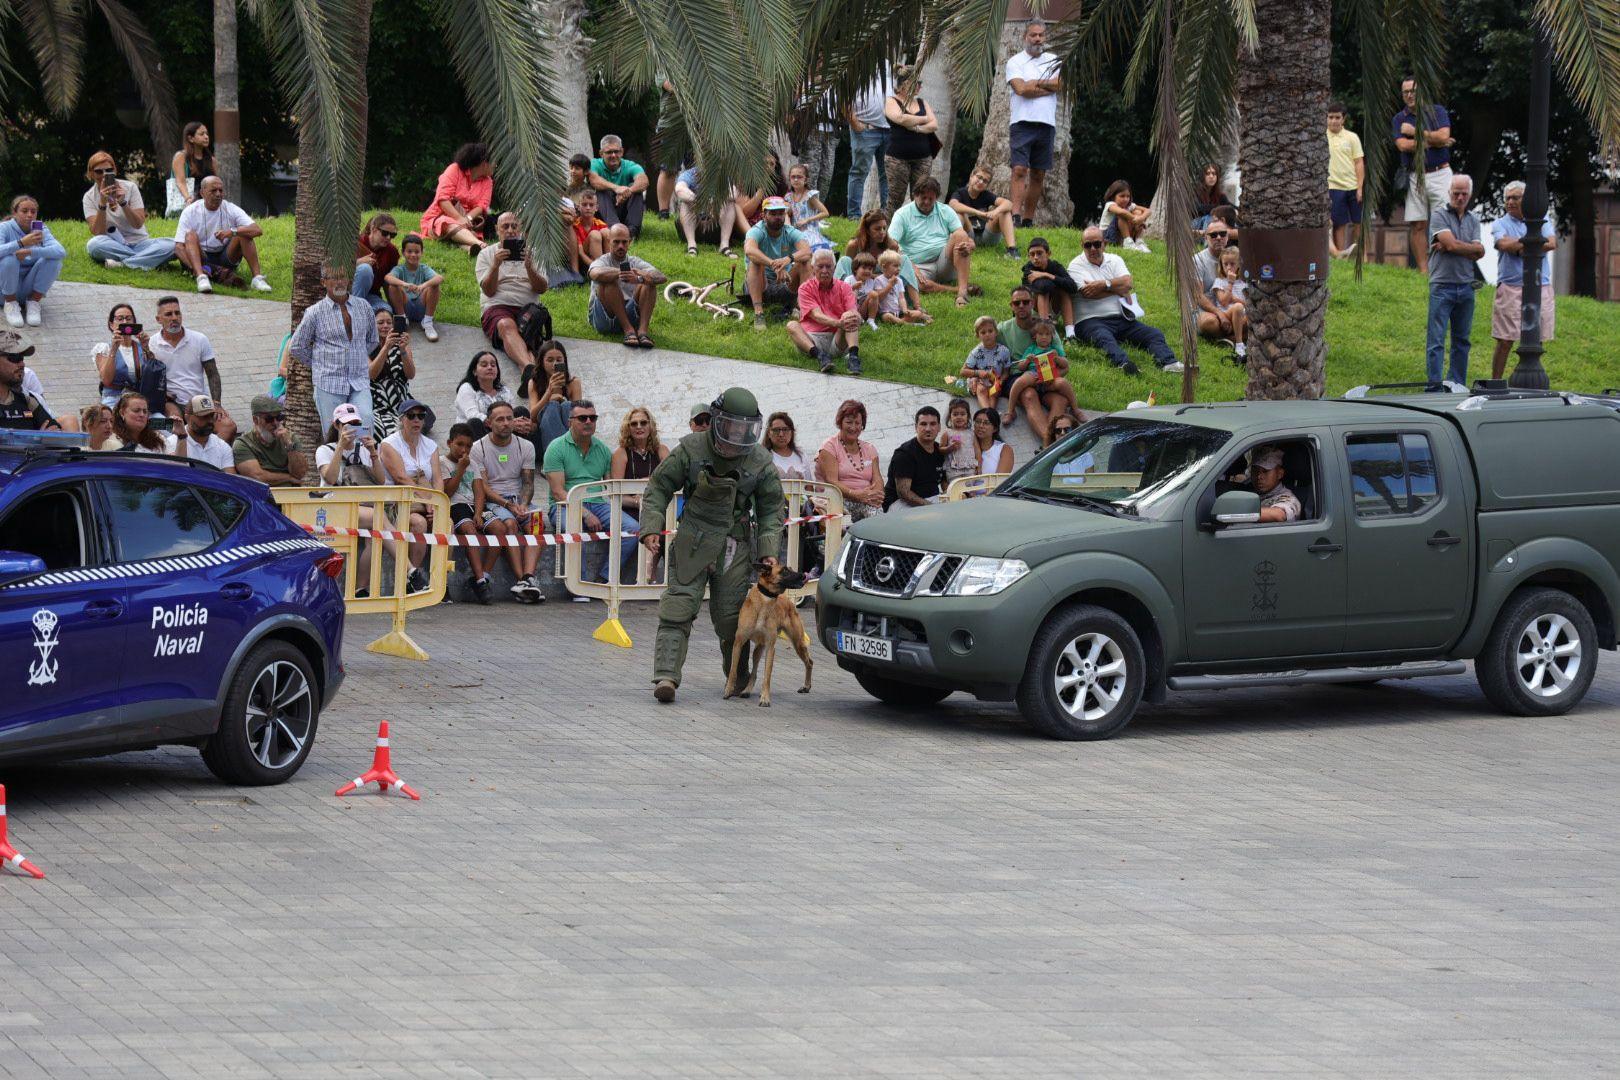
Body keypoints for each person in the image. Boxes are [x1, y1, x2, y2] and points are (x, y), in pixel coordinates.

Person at [637, 387, 785, 703]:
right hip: (693, 538)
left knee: (732, 618)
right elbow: (659, 487)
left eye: (745, 427)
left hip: (734, 545)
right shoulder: (691, 449)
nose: (738, 434)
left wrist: (769, 550)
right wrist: (651, 528)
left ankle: (738, 677)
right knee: (678, 607)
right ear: (718, 420)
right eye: (732, 425)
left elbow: (772, 508)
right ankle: (666, 677)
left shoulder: (759, 461)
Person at [544, 399, 637, 593]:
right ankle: (580, 586)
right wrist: (585, 514)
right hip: (565, 505)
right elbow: (558, 492)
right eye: (582, 418)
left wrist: (636, 501)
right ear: (570, 421)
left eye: (592, 418)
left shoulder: (602, 449)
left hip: (599, 504)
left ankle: (605, 579)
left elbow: (611, 487)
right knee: (574, 528)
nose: (588, 422)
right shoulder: (556, 447)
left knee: (632, 529)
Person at [1067, 226, 1181, 376]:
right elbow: (1089, 293)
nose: (1093, 248)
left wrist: (1104, 284)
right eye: (1088, 245)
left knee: (1154, 334)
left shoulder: (1115, 260)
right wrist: (1117, 288)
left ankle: (1169, 363)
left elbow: (1127, 283)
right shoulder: (1075, 265)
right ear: (1082, 245)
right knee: (1104, 339)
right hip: (1090, 320)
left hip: (1121, 318)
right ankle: (1124, 364)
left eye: (1097, 244)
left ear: (1104, 243)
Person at [289, 261, 379, 431]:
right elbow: (297, 346)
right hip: (329, 383)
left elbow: (373, 339)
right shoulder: (315, 312)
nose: (340, 282)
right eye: (334, 278)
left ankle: (364, 450)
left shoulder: (364, 307)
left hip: (359, 381)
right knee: (334, 433)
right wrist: (319, 364)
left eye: (343, 277)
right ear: (323, 282)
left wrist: (357, 357)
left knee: (365, 424)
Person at [471, 401, 543, 604]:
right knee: (510, 524)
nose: (505, 423)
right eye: (500, 419)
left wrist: (524, 504)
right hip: (494, 501)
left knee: (537, 522)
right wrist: (508, 505)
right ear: (488, 423)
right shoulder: (478, 448)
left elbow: (528, 483)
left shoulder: (526, 446)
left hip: (518, 500)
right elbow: (484, 487)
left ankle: (528, 577)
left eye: (509, 418)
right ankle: (522, 580)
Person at [1490, 181, 1558, 380]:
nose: (1510, 202)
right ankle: (1496, 382)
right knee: (1504, 340)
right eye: (1507, 198)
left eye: (1515, 198)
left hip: (1540, 285)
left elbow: (1551, 243)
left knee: (1537, 339)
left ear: (1526, 200)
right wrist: (1534, 243)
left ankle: (1531, 378)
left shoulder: (1542, 219)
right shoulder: (1500, 223)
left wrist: (1519, 248)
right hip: (1510, 287)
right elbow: (1503, 244)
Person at [1426, 173, 1484, 387]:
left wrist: (1452, 245)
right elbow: (1460, 247)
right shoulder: (1439, 215)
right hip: (1442, 284)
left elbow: (1479, 252)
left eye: (1464, 194)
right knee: (1436, 340)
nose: (1460, 197)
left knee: (1462, 341)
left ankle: (1456, 384)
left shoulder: (1473, 219)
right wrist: (1464, 247)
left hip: (1466, 286)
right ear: (1449, 192)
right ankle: (1434, 386)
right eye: (1456, 193)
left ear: (1470, 195)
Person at [378, 399, 442, 594]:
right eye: (411, 416)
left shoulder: (431, 445)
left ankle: (441, 581)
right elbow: (400, 477)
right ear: (401, 419)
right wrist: (427, 501)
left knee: (446, 523)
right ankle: (411, 578)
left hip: (426, 499)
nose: (416, 420)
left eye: (421, 416)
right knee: (419, 524)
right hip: (399, 500)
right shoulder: (389, 444)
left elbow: (438, 479)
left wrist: (436, 504)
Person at [149, 295, 233, 441]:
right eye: (168, 314)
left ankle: (208, 453)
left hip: (199, 401)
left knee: (229, 427)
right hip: (171, 402)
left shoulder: (199, 339)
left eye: (177, 313)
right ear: (158, 319)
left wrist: (217, 403)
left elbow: (212, 374)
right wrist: (163, 393)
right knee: (169, 423)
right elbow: (148, 377)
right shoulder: (151, 343)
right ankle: (181, 448)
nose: (174, 318)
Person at [1393, 78, 1454, 274]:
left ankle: (1439, 269)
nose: (1409, 95)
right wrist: (1432, 141)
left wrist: (1415, 132)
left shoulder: (1438, 112)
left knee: (1442, 222)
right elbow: (1403, 146)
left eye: (1413, 91)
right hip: (1415, 176)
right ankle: (1423, 272)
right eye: (1406, 92)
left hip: (1440, 173)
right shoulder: (1399, 118)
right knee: (1417, 224)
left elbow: (1444, 136)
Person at [1006, 19, 1063, 228]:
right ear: (1025, 37)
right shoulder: (1015, 61)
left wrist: (1035, 83)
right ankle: (1015, 215)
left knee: (1038, 173)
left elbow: (1059, 84)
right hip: (1022, 123)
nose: (1037, 39)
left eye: (1041, 35)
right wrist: (1046, 86)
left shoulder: (1054, 60)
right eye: (1033, 35)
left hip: (1046, 124)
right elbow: (1021, 89)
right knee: (1019, 169)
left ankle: (1028, 219)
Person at [475, 212, 549, 373]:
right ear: (497, 230)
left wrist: (530, 268)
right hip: (497, 306)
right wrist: (495, 265)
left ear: (520, 229)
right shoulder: (486, 254)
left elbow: (542, 288)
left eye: (514, 226)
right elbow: (489, 291)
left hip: (528, 308)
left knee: (526, 335)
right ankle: (529, 366)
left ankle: (527, 371)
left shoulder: (533, 253)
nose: (510, 230)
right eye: (505, 226)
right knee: (506, 325)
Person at [174, 176, 270, 293]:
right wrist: (192, 267)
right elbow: (179, 247)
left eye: (221, 190)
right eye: (213, 190)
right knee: (190, 235)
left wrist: (232, 232)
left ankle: (257, 279)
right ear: (202, 193)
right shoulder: (190, 211)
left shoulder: (230, 208)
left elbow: (257, 230)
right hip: (201, 257)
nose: (218, 194)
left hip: (225, 256)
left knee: (244, 233)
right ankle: (201, 277)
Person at [82, 152, 176, 271]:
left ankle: (124, 263)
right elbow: (98, 232)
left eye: (109, 170)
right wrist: (102, 203)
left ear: (115, 170)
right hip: (113, 245)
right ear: (91, 173)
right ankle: (149, 260)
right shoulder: (89, 197)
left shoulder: (130, 187)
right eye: (99, 171)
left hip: (140, 243)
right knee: (94, 245)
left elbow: (138, 224)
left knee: (174, 245)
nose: (104, 175)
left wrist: (123, 202)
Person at [890, 177, 975, 307]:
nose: (927, 202)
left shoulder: (945, 210)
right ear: (915, 195)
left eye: (931, 199)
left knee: (961, 235)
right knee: (918, 285)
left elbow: (964, 237)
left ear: (936, 197)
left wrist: (968, 245)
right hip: (918, 265)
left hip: (944, 261)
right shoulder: (901, 214)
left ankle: (962, 293)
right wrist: (911, 267)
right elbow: (891, 246)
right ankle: (956, 289)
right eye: (923, 198)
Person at [589, 223, 667, 349]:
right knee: (608, 282)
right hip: (604, 319)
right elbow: (595, 274)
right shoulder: (602, 261)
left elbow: (662, 277)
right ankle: (629, 331)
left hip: (629, 313)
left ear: (630, 242)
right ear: (609, 242)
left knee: (649, 283)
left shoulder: (635, 261)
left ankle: (642, 333)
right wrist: (621, 273)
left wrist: (640, 277)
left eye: (624, 242)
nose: (621, 246)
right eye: (616, 242)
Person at [1003, 318, 1079, 439]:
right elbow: (1020, 367)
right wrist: (1027, 360)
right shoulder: (1031, 349)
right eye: (1041, 334)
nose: (1044, 337)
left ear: (1052, 337)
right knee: (1020, 381)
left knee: (1063, 383)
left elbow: (1065, 365)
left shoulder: (1054, 350)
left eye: (1047, 334)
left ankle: (1075, 409)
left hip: (1050, 375)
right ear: (1034, 336)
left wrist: (1057, 358)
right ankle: (1010, 411)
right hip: (1034, 373)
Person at [789, 249, 863, 375]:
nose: (824, 271)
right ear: (813, 268)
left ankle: (853, 357)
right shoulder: (805, 289)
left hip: (837, 338)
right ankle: (820, 356)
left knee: (850, 316)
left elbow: (853, 310)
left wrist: (856, 318)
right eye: (820, 266)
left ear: (834, 268)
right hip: (813, 339)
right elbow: (816, 315)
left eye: (828, 266)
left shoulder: (844, 287)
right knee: (792, 325)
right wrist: (838, 323)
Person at [92, 301, 171, 418]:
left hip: (141, 401)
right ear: (111, 325)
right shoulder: (104, 348)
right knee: (119, 421)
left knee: (164, 423)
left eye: (129, 318)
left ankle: (180, 430)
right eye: (120, 319)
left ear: (134, 322)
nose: (125, 322)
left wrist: (146, 348)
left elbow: (154, 375)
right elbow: (106, 380)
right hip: (114, 400)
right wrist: (114, 349)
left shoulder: (141, 347)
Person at [743, 196, 811, 329]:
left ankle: (801, 310)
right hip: (759, 285)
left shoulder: (790, 232)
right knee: (755, 262)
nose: (778, 217)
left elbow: (807, 252)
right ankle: (759, 313)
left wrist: (788, 259)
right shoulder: (756, 231)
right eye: (773, 213)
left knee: (805, 262)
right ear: (764, 215)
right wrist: (773, 264)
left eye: (781, 213)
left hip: (784, 281)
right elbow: (749, 250)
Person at [1, 195, 66, 328]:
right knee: (9, 259)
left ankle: (33, 302)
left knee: (54, 260)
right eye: (24, 211)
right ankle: (11, 304)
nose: (29, 215)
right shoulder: (4, 227)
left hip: (28, 288)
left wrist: (31, 251)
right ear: (15, 213)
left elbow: (60, 251)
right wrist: (20, 243)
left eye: (33, 211)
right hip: (4, 291)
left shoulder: (40, 229)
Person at [882, 65, 940, 214]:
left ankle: (918, 227)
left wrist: (916, 128)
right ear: (904, 84)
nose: (920, 86)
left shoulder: (921, 102)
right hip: (897, 159)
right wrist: (925, 119)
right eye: (917, 83)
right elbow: (900, 118)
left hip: (923, 158)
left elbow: (934, 125)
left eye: (920, 83)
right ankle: (889, 227)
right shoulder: (891, 101)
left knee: (922, 197)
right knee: (896, 198)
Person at [815, 399, 883, 522]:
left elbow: (877, 479)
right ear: (840, 423)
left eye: (857, 423)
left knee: (877, 516)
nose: (853, 427)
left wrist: (876, 495)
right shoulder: (829, 446)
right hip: (839, 499)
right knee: (843, 521)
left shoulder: (870, 448)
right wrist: (856, 494)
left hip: (866, 499)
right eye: (849, 422)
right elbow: (831, 481)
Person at [441, 422, 488, 601]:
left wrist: (478, 513)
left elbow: (479, 491)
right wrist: (460, 469)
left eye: (468, 446)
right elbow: (447, 492)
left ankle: (486, 574)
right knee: (470, 529)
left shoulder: (473, 464)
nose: (464, 450)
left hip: (472, 506)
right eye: (459, 444)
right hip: (455, 506)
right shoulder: (442, 462)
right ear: (449, 443)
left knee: (499, 528)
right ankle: (481, 580)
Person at [420, 142, 494, 255]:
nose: (496, 167)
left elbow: (482, 206)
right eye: (495, 164)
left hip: (467, 223)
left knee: (460, 230)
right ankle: (481, 245)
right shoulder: (454, 169)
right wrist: (459, 219)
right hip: (440, 216)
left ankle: (469, 247)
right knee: (447, 223)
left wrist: (467, 218)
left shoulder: (488, 182)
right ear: (484, 163)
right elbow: (443, 199)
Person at [836, 209, 920, 306]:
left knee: (904, 259)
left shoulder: (891, 245)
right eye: (877, 229)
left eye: (884, 228)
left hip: (884, 285)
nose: (882, 232)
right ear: (867, 230)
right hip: (859, 284)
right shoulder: (854, 245)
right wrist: (869, 275)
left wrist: (875, 277)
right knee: (844, 260)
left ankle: (917, 305)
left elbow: (893, 272)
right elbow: (851, 270)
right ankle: (837, 298)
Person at [610, 405, 670, 523]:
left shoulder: (662, 450)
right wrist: (638, 502)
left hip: (658, 507)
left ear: (650, 426)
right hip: (630, 510)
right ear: (628, 428)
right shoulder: (621, 453)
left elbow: (670, 479)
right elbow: (616, 494)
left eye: (643, 423)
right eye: (634, 424)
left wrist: (646, 480)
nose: (639, 427)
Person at [233, 394, 308, 486]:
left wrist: (289, 445)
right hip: (263, 493)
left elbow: (300, 474)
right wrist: (288, 478)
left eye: (279, 417)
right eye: (269, 419)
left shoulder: (290, 438)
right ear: (256, 420)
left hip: (292, 492)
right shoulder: (244, 444)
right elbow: (257, 477)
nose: (275, 423)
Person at [846, 68, 892, 218]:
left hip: (890, 129)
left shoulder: (891, 66)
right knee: (859, 172)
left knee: (888, 174)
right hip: (865, 129)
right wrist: (855, 124)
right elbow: (843, 98)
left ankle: (886, 215)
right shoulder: (858, 64)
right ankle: (854, 216)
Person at [523, 339, 582, 455]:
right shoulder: (534, 383)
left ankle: (564, 455)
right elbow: (533, 416)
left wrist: (562, 402)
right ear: (542, 362)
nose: (554, 364)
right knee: (552, 406)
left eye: (559, 360)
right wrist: (548, 393)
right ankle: (561, 456)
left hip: (569, 430)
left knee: (567, 405)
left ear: (564, 361)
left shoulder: (574, 383)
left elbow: (580, 416)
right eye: (550, 360)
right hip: (543, 435)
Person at [883, 405, 947, 510]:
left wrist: (949, 496)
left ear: (939, 427)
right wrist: (931, 507)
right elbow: (903, 493)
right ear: (916, 427)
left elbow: (944, 481)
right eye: (923, 424)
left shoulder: (940, 450)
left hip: (931, 499)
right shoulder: (904, 454)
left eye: (933, 424)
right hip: (900, 504)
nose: (928, 429)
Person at [949, 166, 1019, 258]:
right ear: (971, 176)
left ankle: (1012, 250)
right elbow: (952, 204)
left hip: (987, 236)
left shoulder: (986, 195)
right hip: (968, 235)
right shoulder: (960, 193)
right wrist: (977, 212)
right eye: (979, 177)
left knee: (1004, 211)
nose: (981, 182)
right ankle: (953, 246)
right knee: (959, 214)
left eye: (985, 181)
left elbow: (1009, 204)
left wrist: (995, 212)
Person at [588, 135, 649, 237]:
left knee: (636, 191)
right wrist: (616, 188)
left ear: (622, 152)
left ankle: (632, 232)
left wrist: (628, 191)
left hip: (623, 209)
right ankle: (614, 229)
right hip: (603, 213)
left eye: (616, 151)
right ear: (601, 153)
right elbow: (594, 180)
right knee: (600, 190)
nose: (613, 155)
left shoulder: (630, 165)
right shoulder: (594, 163)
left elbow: (644, 181)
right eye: (609, 152)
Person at [369, 309, 416, 440]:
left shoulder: (403, 346)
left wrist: (403, 351)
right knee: (389, 432)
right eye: (380, 323)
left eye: (389, 322)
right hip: (379, 406)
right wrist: (386, 347)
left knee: (415, 423)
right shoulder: (367, 347)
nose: (385, 326)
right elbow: (372, 374)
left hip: (402, 403)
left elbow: (411, 374)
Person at [386, 234, 443, 341]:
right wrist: (405, 284)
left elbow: (439, 278)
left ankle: (427, 322)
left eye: (417, 252)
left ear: (422, 252)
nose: (413, 255)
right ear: (403, 252)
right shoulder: (399, 269)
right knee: (393, 286)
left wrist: (422, 286)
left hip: (421, 307)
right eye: (409, 251)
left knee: (434, 286)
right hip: (405, 306)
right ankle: (402, 320)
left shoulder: (424, 268)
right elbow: (388, 277)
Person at [1327, 103, 1365, 258]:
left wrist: (1360, 187)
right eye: (1330, 117)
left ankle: (1362, 257)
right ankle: (1341, 255)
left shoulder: (1352, 137)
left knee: (1359, 222)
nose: (1334, 121)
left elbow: (1359, 162)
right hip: (1333, 187)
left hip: (1353, 186)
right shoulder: (1321, 137)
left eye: (1337, 117)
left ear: (1343, 119)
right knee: (1339, 224)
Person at [1021, 236, 1080, 336]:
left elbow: (1073, 287)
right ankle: (1045, 330)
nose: (1035, 257)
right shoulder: (1028, 269)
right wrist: (1057, 280)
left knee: (1064, 291)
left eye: (1039, 253)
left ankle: (1070, 334)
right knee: (1043, 292)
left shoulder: (1055, 266)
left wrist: (1046, 275)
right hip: (1034, 313)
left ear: (1048, 254)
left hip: (1053, 307)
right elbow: (1043, 287)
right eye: (1032, 254)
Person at [0, 329, 58, 430]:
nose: (22, 364)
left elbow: (54, 430)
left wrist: (47, 435)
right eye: (14, 358)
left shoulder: (27, 400)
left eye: (22, 358)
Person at [314, 403, 381, 487]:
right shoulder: (324, 450)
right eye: (348, 424)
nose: (352, 428)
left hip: (360, 495)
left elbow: (380, 481)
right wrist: (340, 446)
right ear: (336, 425)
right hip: (334, 495)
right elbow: (330, 479)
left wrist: (373, 453)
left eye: (356, 424)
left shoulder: (364, 448)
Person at [352, 213, 403, 313]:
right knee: (365, 269)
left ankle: (362, 312)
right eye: (385, 233)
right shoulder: (356, 243)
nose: (388, 238)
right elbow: (336, 270)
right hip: (349, 293)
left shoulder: (391, 251)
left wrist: (397, 311)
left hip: (371, 296)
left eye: (392, 235)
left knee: (386, 312)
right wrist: (357, 263)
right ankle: (355, 312)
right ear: (373, 229)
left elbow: (388, 283)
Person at [105, 390, 183, 456]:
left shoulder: (158, 438)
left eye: (145, 411)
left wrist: (181, 436)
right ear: (122, 413)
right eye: (136, 410)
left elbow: (178, 465)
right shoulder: (110, 438)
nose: (142, 415)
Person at [960, 316, 1012, 412]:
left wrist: (1001, 381)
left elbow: (1006, 371)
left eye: (990, 331)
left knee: (994, 392)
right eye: (983, 332)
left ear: (996, 332)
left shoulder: (1004, 351)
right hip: (979, 381)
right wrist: (978, 373)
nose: (987, 335)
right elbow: (963, 371)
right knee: (981, 390)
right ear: (978, 335)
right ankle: (988, 413)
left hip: (995, 381)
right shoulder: (976, 352)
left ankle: (990, 414)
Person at [455, 350, 520, 425]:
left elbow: (512, 411)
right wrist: (497, 423)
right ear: (474, 371)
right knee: (475, 422)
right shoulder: (466, 388)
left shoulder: (504, 390)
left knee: (520, 411)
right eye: (484, 365)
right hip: (478, 429)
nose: (490, 367)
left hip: (504, 427)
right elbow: (472, 415)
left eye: (493, 365)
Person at [1207, 247, 1249, 359]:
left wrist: (1235, 299)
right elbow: (1224, 302)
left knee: (1254, 314)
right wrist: (1230, 283)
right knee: (1238, 307)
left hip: (1242, 316)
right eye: (1225, 264)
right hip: (1226, 315)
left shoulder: (1244, 282)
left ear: (1239, 264)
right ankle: (1239, 345)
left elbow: (1249, 304)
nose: (1229, 267)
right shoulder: (1220, 281)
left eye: (1232, 264)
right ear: (1221, 265)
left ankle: (1230, 340)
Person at [166, 121, 215, 216]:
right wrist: (188, 199)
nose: (206, 137)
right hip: (189, 202)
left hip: (208, 204)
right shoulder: (181, 157)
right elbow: (180, 182)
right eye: (201, 134)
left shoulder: (212, 160)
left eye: (207, 134)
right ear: (190, 138)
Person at [1242, 445, 1301, 522]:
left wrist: (1236, 513)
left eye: (1265, 471)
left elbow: (1278, 515)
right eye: (1255, 471)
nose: (1259, 476)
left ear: (1279, 473)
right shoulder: (1250, 493)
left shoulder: (1288, 498)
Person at [785, 163, 833, 253]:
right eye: (793, 177)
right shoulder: (788, 197)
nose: (796, 179)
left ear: (806, 180)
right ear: (790, 179)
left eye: (799, 177)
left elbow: (825, 213)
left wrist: (807, 220)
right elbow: (788, 214)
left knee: (805, 243)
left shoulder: (809, 196)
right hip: (795, 230)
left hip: (809, 230)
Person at [180, 395, 235, 471]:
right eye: (204, 417)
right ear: (187, 418)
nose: (210, 421)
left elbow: (230, 477)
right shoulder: (174, 443)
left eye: (212, 416)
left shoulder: (223, 447)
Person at [1100, 180, 1151, 252]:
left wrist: (1140, 218)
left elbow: (1148, 210)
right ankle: (1128, 243)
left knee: (1138, 212)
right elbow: (1122, 212)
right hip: (1108, 237)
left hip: (1120, 237)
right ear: (1113, 196)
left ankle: (1138, 241)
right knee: (1122, 214)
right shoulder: (1110, 204)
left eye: (1128, 196)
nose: (1126, 199)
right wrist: (1135, 219)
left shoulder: (1129, 205)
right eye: (1122, 196)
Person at [941, 397, 978, 487]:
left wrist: (979, 466)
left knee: (971, 490)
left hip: (970, 469)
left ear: (968, 416)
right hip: (953, 470)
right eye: (955, 414)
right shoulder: (947, 433)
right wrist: (950, 448)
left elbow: (977, 451)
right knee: (957, 490)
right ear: (950, 417)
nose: (959, 417)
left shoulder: (971, 433)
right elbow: (940, 449)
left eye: (962, 414)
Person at [971, 406, 1014, 476]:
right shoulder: (966, 446)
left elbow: (999, 479)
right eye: (978, 422)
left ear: (995, 429)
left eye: (986, 423)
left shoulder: (1004, 449)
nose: (981, 426)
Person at [1192, 164, 1232, 231]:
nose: (1211, 176)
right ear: (1203, 177)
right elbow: (1198, 208)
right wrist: (1218, 208)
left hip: (1213, 224)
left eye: (1214, 174)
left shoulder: (1221, 196)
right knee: (1209, 218)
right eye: (1208, 174)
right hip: (1195, 224)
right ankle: (1209, 237)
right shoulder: (1195, 193)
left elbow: (1228, 209)